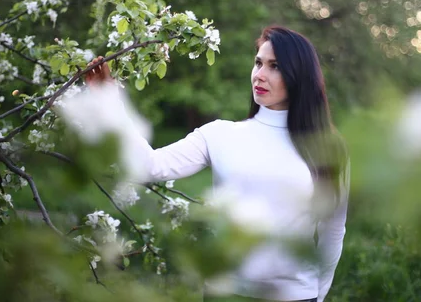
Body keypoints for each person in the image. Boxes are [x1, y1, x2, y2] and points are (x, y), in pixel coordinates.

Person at [85, 26, 349, 302]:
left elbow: (333, 228)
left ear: (298, 75)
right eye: (258, 62)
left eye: (275, 66)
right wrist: (108, 100)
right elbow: (150, 165)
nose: (259, 74)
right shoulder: (220, 134)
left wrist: (318, 296)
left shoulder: (327, 146)